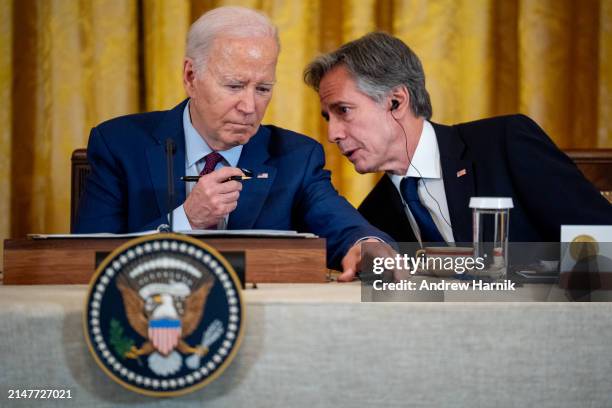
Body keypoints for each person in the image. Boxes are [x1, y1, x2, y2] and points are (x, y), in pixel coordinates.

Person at [75, 7, 393, 276]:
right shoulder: (119, 144)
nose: (249, 106)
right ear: (190, 77)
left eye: (263, 89)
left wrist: (370, 249)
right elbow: (85, 260)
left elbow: (347, 228)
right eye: (234, 86)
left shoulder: (295, 157)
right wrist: (186, 220)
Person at [304, 32, 612, 276]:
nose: (333, 134)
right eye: (328, 118)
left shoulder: (505, 143)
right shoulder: (373, 217)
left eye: (343, 111)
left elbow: (603, 238)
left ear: (396, 102)